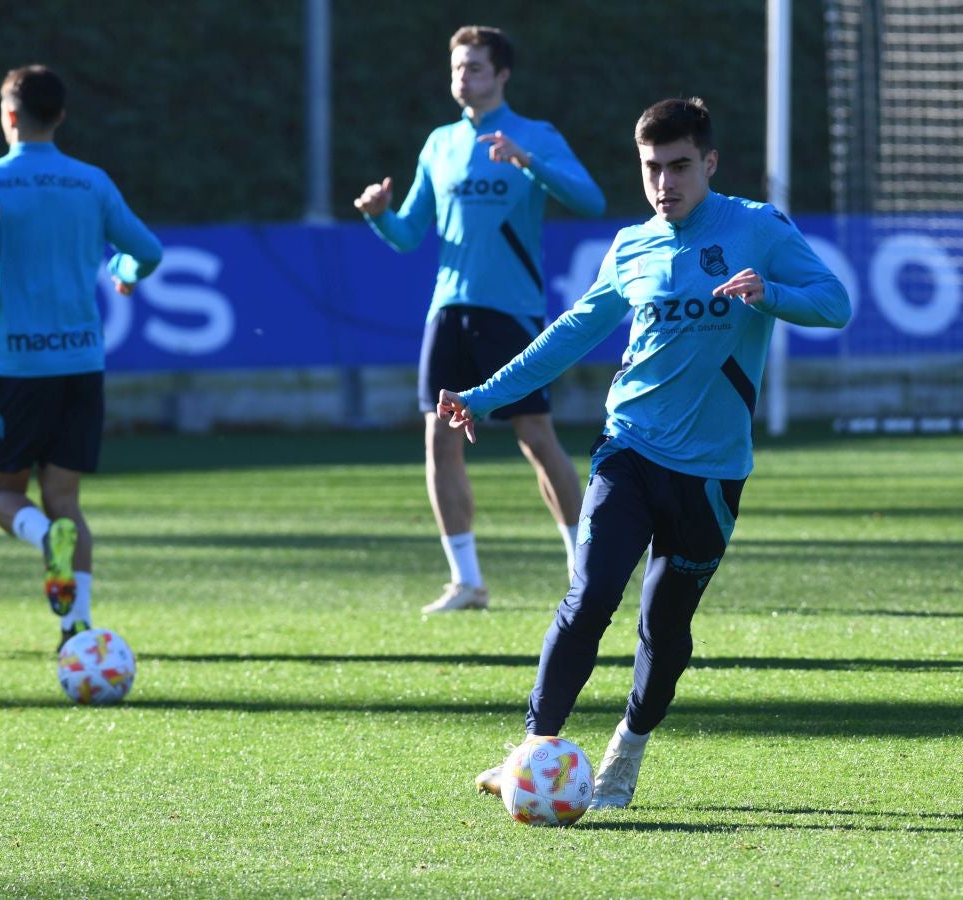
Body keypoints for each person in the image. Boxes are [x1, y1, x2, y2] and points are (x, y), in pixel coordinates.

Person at [444, 98, 851, 808]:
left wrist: (772, 294)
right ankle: (535, 749)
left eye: (680, 166)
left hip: (712, 473)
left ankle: (627, 749)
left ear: (710, 163)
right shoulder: (632, 246)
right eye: (652, 168)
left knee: (664, 628)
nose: (665, 183)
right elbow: (572, 332)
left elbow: (835, 302)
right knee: (590, 595)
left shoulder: (758, 228)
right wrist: (484, 395)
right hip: (628, 449)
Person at [353, 25, 605, 614]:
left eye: (474, 67)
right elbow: (408, 233)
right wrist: (378, 215)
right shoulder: (439, 143)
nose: (462, 78)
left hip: (512, 311)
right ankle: (466, 582)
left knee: (535, 435)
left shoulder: (535, 136)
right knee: (439, 438)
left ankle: (584, 568)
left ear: (502, 74)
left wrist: (528, 162)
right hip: (448, 309)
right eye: (456, 68)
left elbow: (590, 200)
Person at [0, 64, 162, 650]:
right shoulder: (91, 182)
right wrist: (124, 272)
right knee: (66, 499)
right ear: (61, 116)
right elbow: (147, 251)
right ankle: (77, 630)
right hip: (82, 364)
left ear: (9, 115)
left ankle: (44, 537)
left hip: (18, 368)